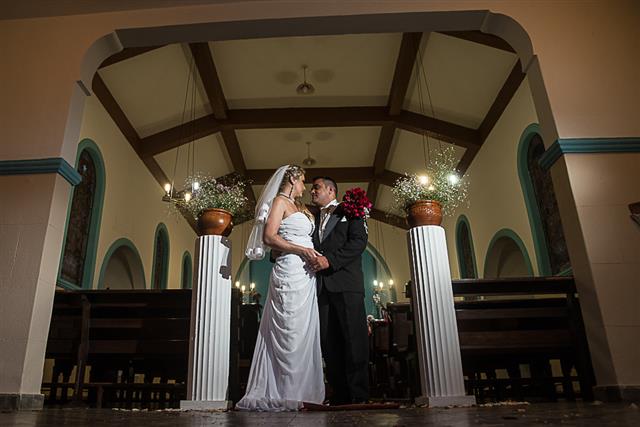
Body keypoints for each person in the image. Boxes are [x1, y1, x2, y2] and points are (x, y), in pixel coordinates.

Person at [236, 165, 324, 411]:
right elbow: (269, 237)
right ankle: (283, 389)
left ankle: (304, 389)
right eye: (302, 181)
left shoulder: (300, 208)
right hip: (289, 270)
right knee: (289, 328)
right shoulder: (279, 202)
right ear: (293, 179)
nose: (304, 187)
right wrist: (301, 250)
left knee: (304, 331)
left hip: (306, 276)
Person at [309, 176, 370, 405]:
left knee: (354, 340)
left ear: (331, 190)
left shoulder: (350, 209)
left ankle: (359, 394)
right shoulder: (312, 217)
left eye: (316, 187)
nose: (312, 191)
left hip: (347, 284)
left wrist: (330, 261)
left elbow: (358, 242)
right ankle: (340, 393)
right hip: (321, 287)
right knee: (328, 341)